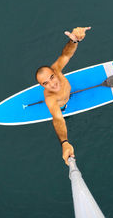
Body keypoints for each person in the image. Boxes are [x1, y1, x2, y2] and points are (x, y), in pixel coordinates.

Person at [35, 27, 91, 165]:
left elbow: (66, 55)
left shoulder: (57, 69)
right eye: (46, 83)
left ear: (54, 72)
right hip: (62, 105)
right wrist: (64, 142)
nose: (52, 84)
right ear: (43, 86)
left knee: (66, 94)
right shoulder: (50, 99)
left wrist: (73, 41)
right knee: (64, 114)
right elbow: (58, 119)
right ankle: (67, 107)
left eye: (52, 77)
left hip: (68, 94)